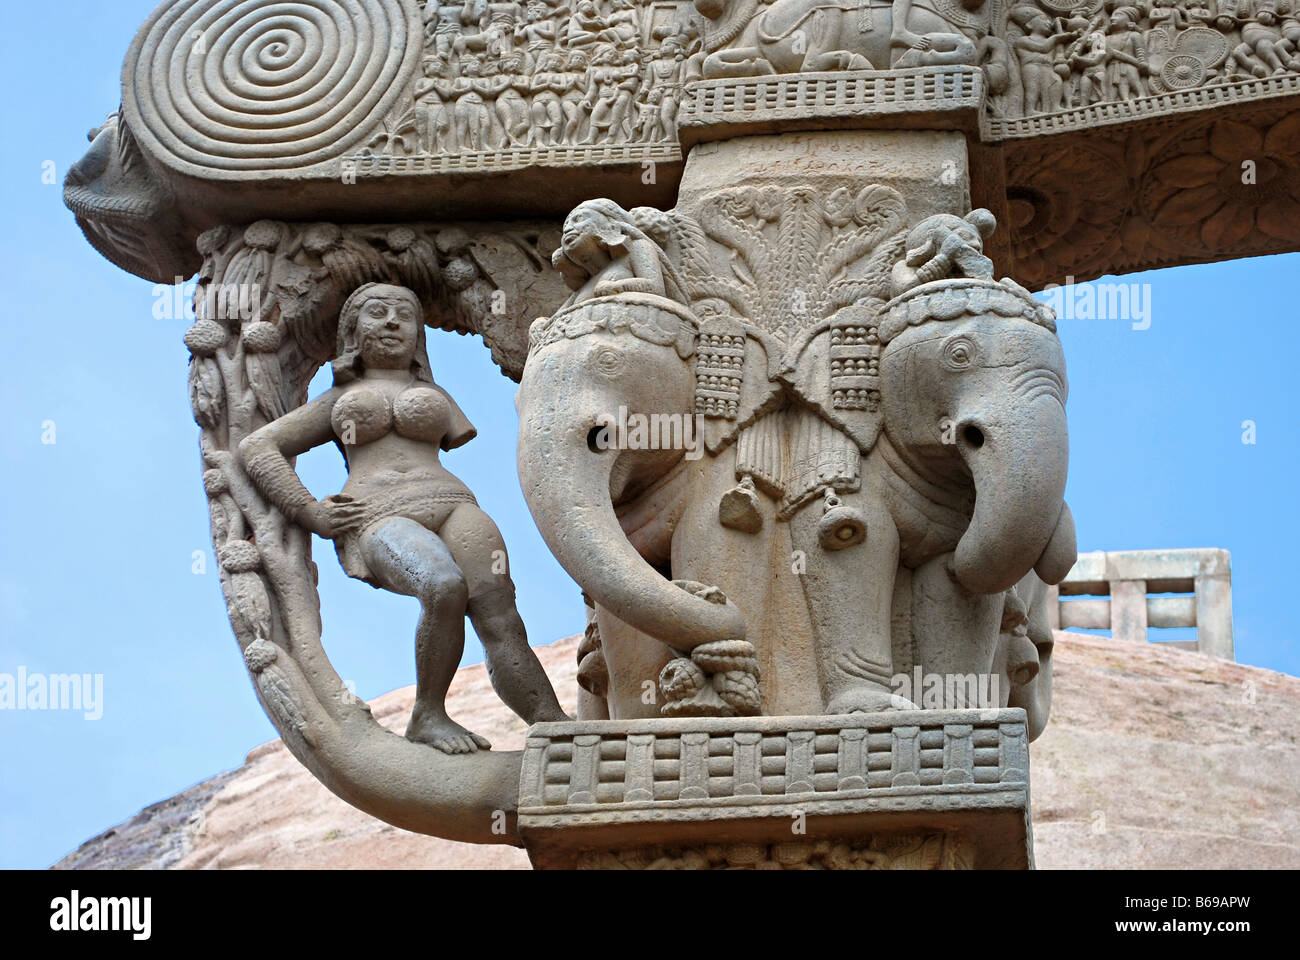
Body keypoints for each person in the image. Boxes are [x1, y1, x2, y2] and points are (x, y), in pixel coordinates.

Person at [238, 283, 568, 754]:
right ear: (353, 331)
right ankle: (428, 714)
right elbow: (259, 448)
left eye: (404, 315)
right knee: (441, 585)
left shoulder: (432, 393)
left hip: (454, 502)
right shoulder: (341, 400)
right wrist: (309, 511)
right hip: (377, 512)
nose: (393, 322)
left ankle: (551, 723)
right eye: (377, 312)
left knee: (500, 611)